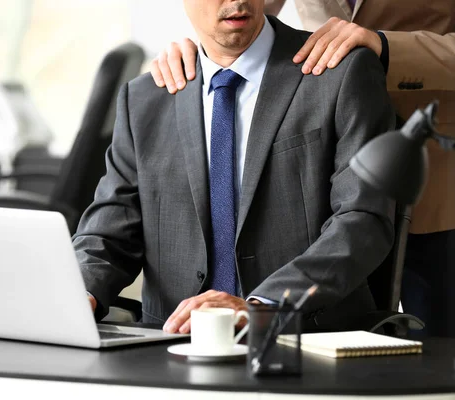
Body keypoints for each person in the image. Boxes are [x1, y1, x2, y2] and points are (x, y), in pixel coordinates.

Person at [149, 0, 455, 338]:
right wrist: (204, 48)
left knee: (449, 357)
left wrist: (382, 45)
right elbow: (244, 8)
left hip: (442, 180)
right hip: (326, 183)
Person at [74, 0, 396, 335]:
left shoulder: (341, 72)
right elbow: (110, 228)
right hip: (169, 349)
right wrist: (79, 293)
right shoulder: (144, 98)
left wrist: (263, 307)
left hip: (301, 341)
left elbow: (363, 219)